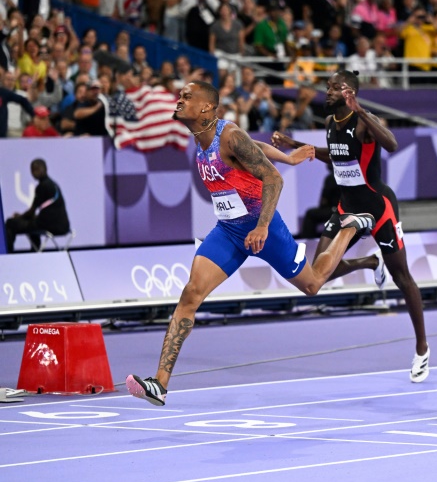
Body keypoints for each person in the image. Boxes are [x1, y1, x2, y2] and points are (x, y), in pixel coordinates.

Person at [126, 81, 377, 407]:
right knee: (191, 293)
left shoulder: (227, 135)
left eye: (187, 97)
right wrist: (287, 157)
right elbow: (254, 146)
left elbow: (273, 179)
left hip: (264, 229)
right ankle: (160, 383)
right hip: (229, 230)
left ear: (205, 108)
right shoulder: (205, 137)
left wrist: (262, 224)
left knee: (313, 285)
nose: (179, 100)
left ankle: (350, 229)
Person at [272, 70, 431, 382]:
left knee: (402, 277)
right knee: (315, 276)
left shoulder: (362, 122)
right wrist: (297, 144)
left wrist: (361, 110)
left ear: (350, 93)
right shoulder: (332, 123)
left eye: (334, 88)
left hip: (378, 208)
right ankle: (370, 262)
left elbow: (393, 144)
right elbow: (336, 158)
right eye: (327, 87)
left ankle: (422, 349)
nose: (327, 92)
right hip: (347, 208)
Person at [5, 159, 70, 253]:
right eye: (32, 170)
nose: (33, 172)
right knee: (32, 222)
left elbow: (31, 211)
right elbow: (46, 212)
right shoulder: (53, 184)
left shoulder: (42, 187)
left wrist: (19, 217)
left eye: (36, 169)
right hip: (62, 226)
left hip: (51, 226)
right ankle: (34, 251)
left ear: (44, 169)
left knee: (10, 223)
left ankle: (8, 254)